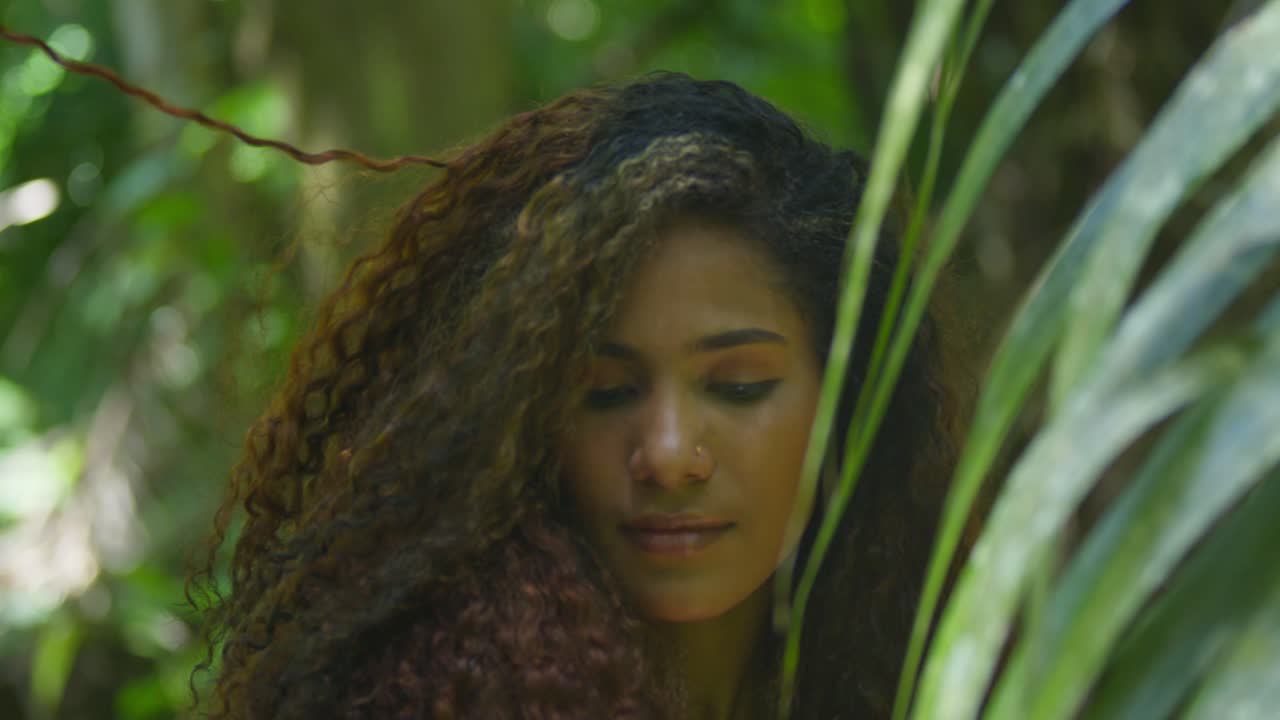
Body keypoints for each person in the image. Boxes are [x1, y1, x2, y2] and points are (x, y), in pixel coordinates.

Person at [176, 72, 957, 719]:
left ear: (848, 401)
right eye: (607, 392)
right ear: (522, 426)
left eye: (739, 386)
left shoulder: (943, 681)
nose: (669, 455)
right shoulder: (430, 697)